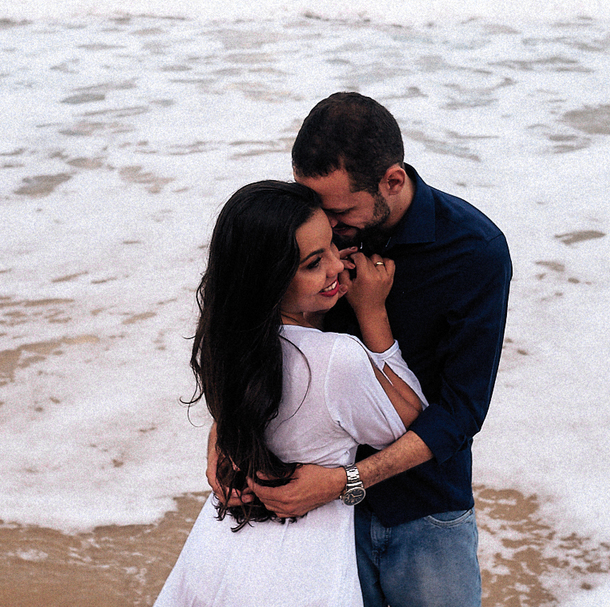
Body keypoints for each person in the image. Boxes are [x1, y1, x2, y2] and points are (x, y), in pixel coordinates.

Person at [246, 92, 513, 607]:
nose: (324, 220)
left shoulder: (473, 252)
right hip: (313, 510)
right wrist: (225, 443)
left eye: (340, 210)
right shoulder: (309, 229)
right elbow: (260, 342)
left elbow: (460, 414)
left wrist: (343, 482)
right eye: (314, 204)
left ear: (392, 180)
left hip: (424, 508)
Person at [155, 181, 426, 607]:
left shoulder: (226, 343)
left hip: (218, 548)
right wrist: (372, 313)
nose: (338, 266)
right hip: (298, 573)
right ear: (271, 280)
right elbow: (409, 416)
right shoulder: (339, 357)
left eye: (333, 247)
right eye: (314, 264)